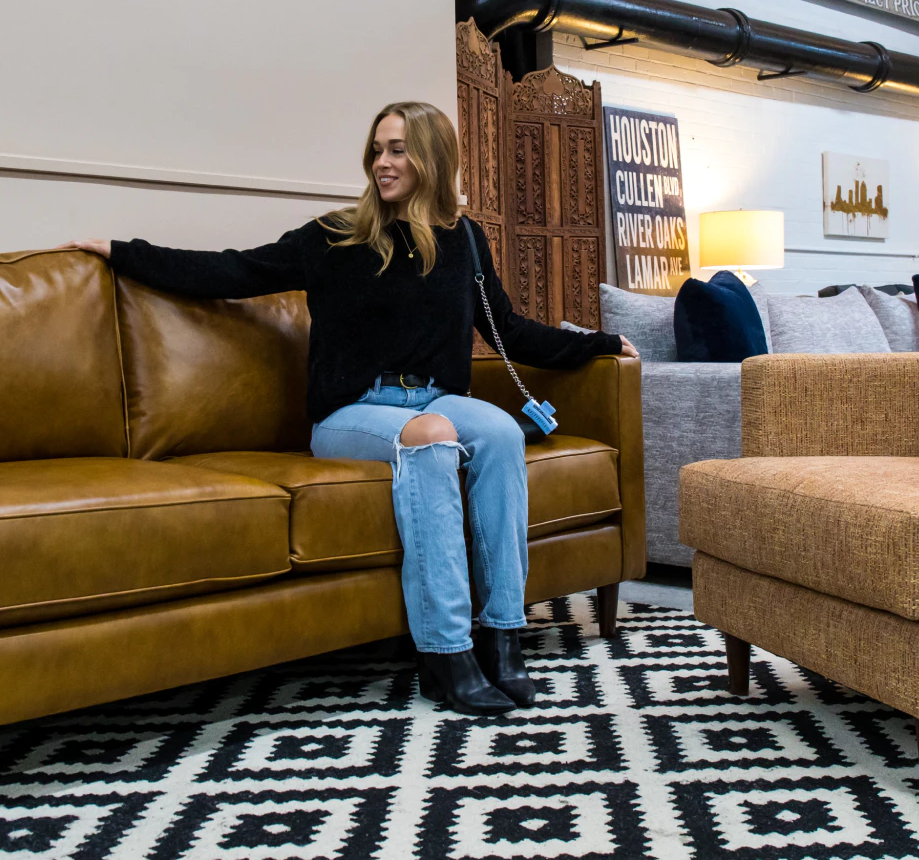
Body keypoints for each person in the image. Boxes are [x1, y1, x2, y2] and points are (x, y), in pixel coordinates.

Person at [63, 101, 637, 715]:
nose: (381, 163)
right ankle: (445, 653)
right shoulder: (335, 237)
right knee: (434, 433)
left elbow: (510, 331)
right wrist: (123, 252)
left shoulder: (466, 240)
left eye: (397, 149)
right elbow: (232, 271)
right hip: (351, 413)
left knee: (497, 431)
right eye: (376, 149)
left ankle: (502, 636)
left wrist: (601, 345)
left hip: (434, 398)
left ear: (432, 158)